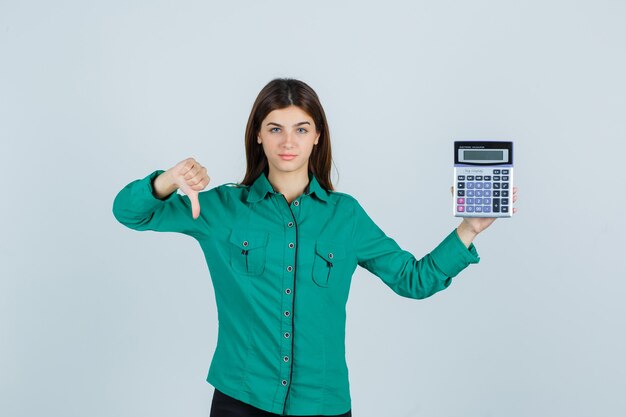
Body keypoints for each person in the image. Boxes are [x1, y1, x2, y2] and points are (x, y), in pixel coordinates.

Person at [112, 78, 518, 417]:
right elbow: (130, 213)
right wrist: (166, 180)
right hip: (241, 398)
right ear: (258, 134)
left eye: (301, 129)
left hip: (322, 404)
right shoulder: (220, 208)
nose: (288, 141)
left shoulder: (345, 217)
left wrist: (469, 228)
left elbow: (413, 279)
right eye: (275, 128)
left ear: (317, 136)